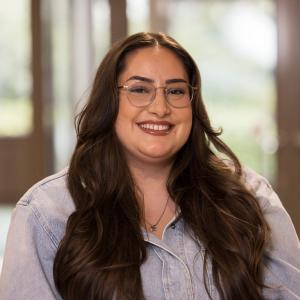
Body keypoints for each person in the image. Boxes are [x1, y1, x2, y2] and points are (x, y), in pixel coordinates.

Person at [0, 32, 299, 300]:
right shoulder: (44, 212)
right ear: (110, 101)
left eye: (176, 91)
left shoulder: (250, 196)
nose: (160, 108)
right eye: (140, 89)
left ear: (193, 104)